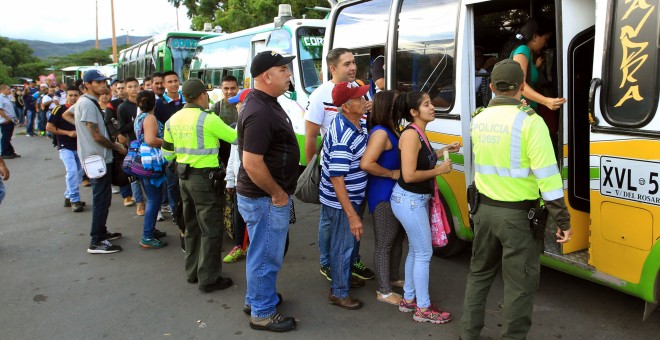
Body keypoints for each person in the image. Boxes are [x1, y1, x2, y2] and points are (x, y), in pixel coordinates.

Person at [460, 59, 572, 339]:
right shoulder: (531, 122)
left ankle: (468, 333)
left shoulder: (479, 118)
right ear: (522, 87)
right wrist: (563, 219)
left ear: (493, 87)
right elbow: (548, 177)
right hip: (519, 219)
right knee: (519, 285)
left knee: (479, 274)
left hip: (483, 212)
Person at [236, 51, 298, 332]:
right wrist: (277, 193)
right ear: (266, 76)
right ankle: (262, 312)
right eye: (283, 69)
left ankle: (258, 298)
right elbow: (251, 162)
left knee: (261, 251)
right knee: (266, 255)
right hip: (264, 197)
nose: (288, 74)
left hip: (263, 196)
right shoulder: (260, 110)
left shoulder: (264, 101)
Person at [305, 47, 375, 283]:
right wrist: (312, 170)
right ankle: (329, 264)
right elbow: (311, 136)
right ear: (333, 68)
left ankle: (350, 261)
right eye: (347, 64)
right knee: (331, 222)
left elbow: (365, 124)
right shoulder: (320, 95)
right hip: (334, 171)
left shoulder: (360, 92)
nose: (353, 67)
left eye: (354, 62)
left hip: (356, 172)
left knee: (353, 221)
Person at [390, 90, 459, 324]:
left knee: (416, 251)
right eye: (427, 104)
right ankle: (423, 308)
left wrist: (441, 151)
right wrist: (439, 170)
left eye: (431, 103)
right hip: (409, 200)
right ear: (413, 112)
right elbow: (409, 175)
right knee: (424, 253)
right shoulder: (411, 135)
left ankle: (409, 299)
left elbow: (421, 160)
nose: (432, 108)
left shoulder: (419, 133)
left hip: (412, 200)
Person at [162, 78, 236, 293]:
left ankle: (193, 271)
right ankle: (209, 278)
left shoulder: (172, 120)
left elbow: (167, 153)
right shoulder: (208, 119)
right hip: (205, 180)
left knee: (191, 226)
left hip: (183, 179)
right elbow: (235, 137)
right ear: (202, 95)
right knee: (211, 228)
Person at [319, 81, 373, 311]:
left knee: (346, 243)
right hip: (342, 200)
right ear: (346, 106)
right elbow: (337, 177)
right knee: (344, 245)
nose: (364, 100)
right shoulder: (344, 135)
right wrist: (352, 215)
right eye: (359, 98)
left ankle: (343, 278)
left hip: (345, 197)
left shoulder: (353, 122)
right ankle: (339, 293)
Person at [360, 90, 405, 305]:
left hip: (394, 192)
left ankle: (393, 278)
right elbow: (366, 163)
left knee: (396, 239)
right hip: (383, 194)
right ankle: (384, 291)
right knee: (385, 243)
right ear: (388, 107)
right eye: (398, 103)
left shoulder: (392, 129)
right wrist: (391, 174)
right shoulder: (380, 133)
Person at [74, 70, 127, 254]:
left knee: (103, 198)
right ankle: (96, 240)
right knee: (101, 199)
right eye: (98, 82)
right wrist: (117, 147)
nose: (103, 85)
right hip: (97, 158)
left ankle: (101, 232)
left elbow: (69, 115)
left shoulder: (85, 102)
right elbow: (96, 135)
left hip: (97, 157)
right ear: (87, 84)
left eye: (104, 81)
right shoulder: (87, 103)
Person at [502, 18, 565, 111]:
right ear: (535, 37)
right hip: (522, 109)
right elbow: (520, 84)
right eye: (545, 39)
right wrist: (546, 101)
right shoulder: (523, 50)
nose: (546, 44)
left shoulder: (526, 53)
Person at [134, 90, 168, 249]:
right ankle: (147, 236)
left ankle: (151, 230)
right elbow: (150, 139)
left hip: (145, 161)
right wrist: (168, 142)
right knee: (154, 199)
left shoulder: (140, 117)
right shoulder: (150, 118)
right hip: (151, 163)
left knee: (153, 198)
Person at [223, 88, 251, 264]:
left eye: (239, 103)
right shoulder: (236, 127)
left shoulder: (256, 126)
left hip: (254, 182)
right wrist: (230, 180)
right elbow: (233, 158)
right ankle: (239, 246)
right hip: (240, 180)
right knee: (239, 216)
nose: (237, 107)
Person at [46, 85, 85, 212]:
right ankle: (75, 200)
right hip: (64, 146)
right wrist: (68, 133)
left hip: (79, 146)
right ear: (66, 96)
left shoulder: (81, 109)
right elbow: (49, 127)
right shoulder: (58, 109)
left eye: (76, 95)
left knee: (79, 173)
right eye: (71, 95)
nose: (73, 98)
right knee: (72, 171)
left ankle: (69, 196)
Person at [117, 78, 147, 217]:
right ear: (126, 89)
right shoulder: (123, 107)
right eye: (130, 87)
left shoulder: (146, 103)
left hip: (148, 144)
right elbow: (122, 128)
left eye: (136, 86)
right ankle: (140, 203)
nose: (134, 89)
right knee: (135, 176)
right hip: (133, 145)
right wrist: (137, 120)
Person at [0, 85, 19, 159]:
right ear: (2, 90)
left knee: (8, 137)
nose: (9, 90)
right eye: (8, 89)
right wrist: (7, 118)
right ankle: (4, 152)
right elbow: (0, 110)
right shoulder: (1, 98)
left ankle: (10, 151)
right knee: (6, 137)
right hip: (5, 120)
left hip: (11, 119)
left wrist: (15, 118)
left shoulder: (8, 97)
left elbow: (10, 109)